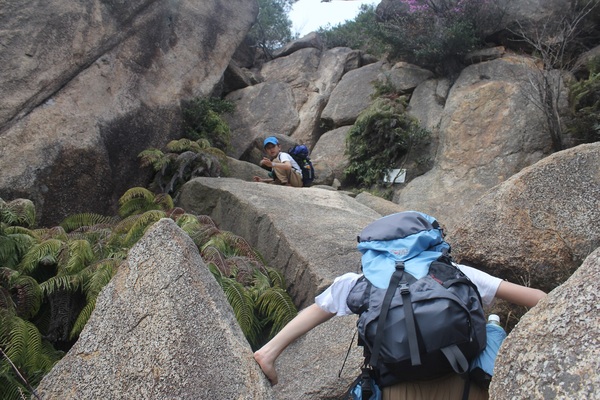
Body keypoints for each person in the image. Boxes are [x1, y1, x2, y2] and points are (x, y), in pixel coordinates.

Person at [253, 220, 547, 399]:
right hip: (466, 387)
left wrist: (268, 354)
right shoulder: (455, 272)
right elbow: (538, 298)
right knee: (493, 328)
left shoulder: (357, 282)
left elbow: (317, 310)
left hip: (395, 391)